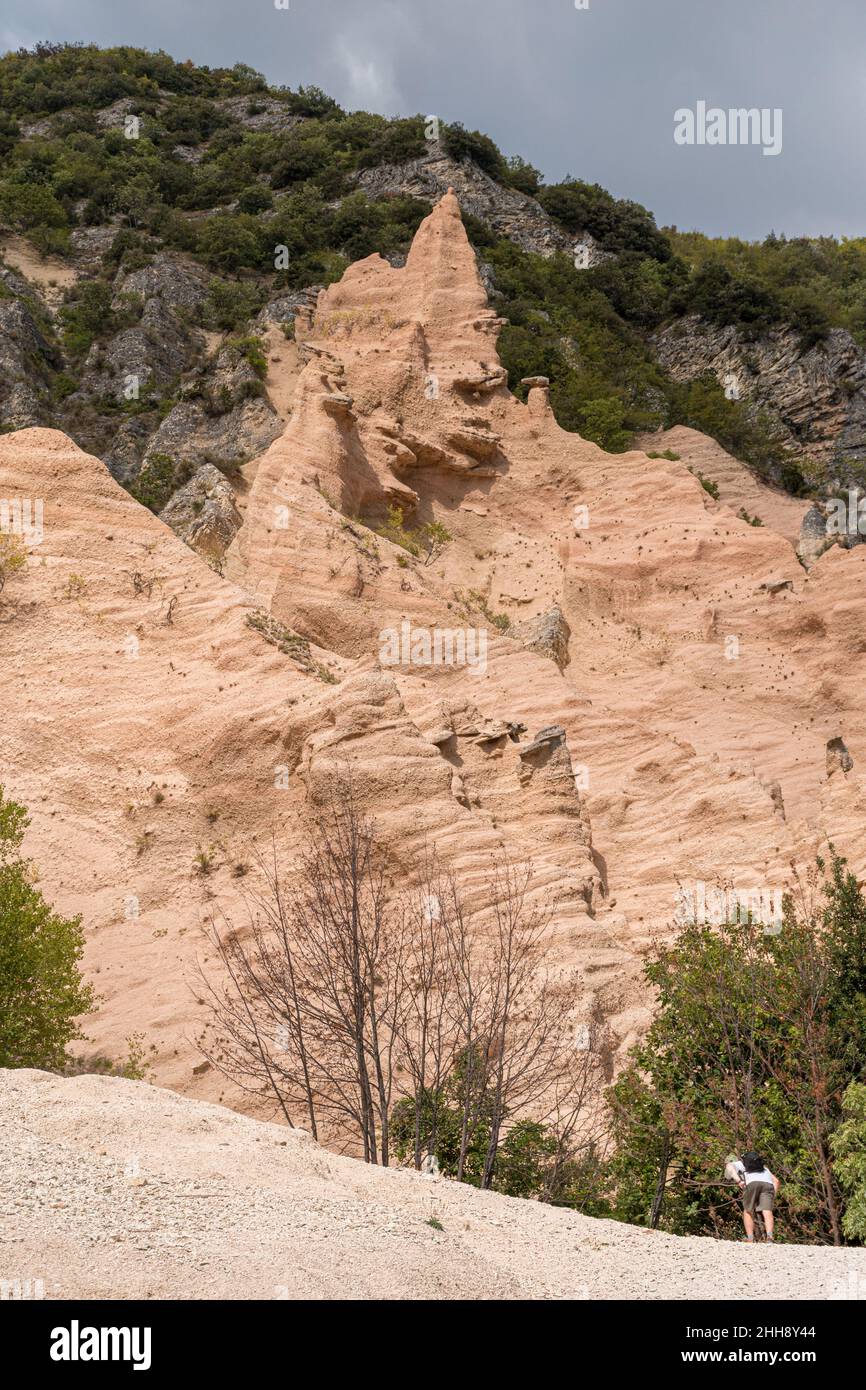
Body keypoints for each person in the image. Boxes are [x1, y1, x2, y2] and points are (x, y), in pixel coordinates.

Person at [731, 1151, 780, 1242]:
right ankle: (769, 1237)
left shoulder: (742, 1165)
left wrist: (738, 1181)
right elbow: (776, 1181)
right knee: (767, 1211)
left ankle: (750, 1238)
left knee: (748, 1211)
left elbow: (729, 1166)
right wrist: (772, 1196)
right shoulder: (765, 1169)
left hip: (752, 1184)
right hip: (767, 1185)